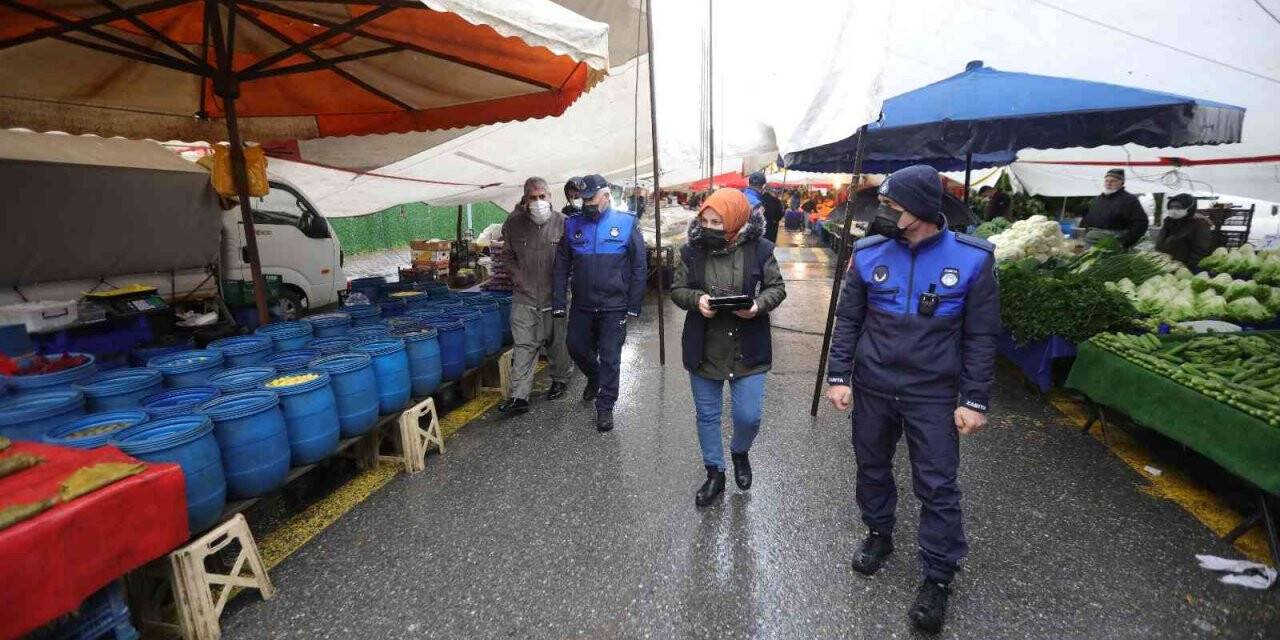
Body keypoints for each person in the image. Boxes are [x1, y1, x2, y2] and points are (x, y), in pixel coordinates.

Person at [825, 164, 999, 634]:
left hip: (934, 395)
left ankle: (938, 576)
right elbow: (848, 320)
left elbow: (982, 337)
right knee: (871, 466)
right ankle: (879, 532)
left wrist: (974, 400)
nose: (881, 213)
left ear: (920, 208)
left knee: (938, 485)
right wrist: (838, 376)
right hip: (873, 387)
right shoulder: (868, 253)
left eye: (891, 205)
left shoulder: (973, 260)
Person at [670, 189, 786, 507]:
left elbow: (777, 288)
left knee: (749, 416)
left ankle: (739, 451)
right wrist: (697, 300)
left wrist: (757, 306)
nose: (708, 228)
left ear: (735, 219)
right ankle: (715, 473)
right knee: (707, 415)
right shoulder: (690, 251)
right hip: (704, 345)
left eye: (717, 222)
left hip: (748, 345)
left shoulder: (761, 250)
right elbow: (677, 289)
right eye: (705, 221)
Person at [553, 174, 648, 432]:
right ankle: (594, 377)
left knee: (610, 357)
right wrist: (559, 301)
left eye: (591, 199)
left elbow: (639, 266)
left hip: (613, 305)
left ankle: (605, 406)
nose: (587, 204)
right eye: (583, 200)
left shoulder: (626, 223)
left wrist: (634, 304)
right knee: (575, 347)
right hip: (582, 304)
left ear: (606, 196)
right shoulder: (572, 224)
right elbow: (561, 265)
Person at [497, 177, 574, 416]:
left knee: (558, 343)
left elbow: (575, 258)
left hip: (556, 297)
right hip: (525, 297)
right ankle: (519, 397)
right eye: (533, 197)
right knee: (524, 345)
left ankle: (560, 379)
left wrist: (566, 284)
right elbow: (507, 256)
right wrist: (518, 278)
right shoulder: (513, 223)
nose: (538, 201)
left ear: (550, 197)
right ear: (525, 199)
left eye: (542, 196)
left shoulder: (564, 223)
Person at [1082, 168, 1149, 248]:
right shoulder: (1098, 199)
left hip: (1114, 244)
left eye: (1112, 181)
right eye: (1106, 181)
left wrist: (1125, 242)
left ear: (1121, 183)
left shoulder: (1129, 200)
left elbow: (1141, 223)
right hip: (1091, 242)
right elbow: (1088, 219)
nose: (1108, 183)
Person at [1156, 193, 1217, 272]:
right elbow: (1160, 243)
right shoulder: (1168, 222)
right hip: (1166, 266)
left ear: (1189, 208)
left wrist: (1187, 267)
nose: (1174, 210)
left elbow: (1200, 250)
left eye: (1178, 207)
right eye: (1171, 207)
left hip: (1187, 268)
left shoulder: (1200, 224)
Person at [744, 172, 784, 243]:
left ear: (749, 183)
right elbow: (758, 230)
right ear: (763, 186)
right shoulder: (757, 204)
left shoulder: (740, 196)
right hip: (756, 242)